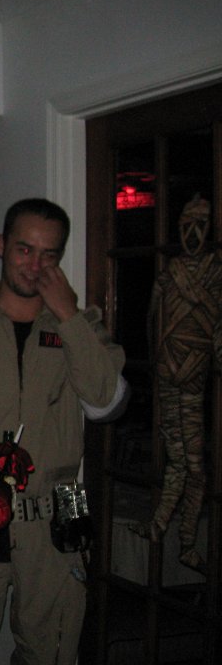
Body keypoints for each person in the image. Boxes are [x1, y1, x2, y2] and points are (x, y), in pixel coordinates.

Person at [0, 198, 128, 665]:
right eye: (25, 250)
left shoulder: (81, 328)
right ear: (2, 246)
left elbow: (107, 403)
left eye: (49, 255)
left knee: (51, 651)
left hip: (55, 523)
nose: (35, 265)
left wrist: (69, 317)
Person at [129, 194, 221, 574]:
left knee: (194, 465)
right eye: (186, 227)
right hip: (169, 375)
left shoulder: (215, 274)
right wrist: (157, 364)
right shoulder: (169, 275)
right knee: (178, 461)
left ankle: (183, 539)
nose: (192, 234)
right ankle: (167, 530)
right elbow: (153, 324)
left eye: (199, 226)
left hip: (193, 376)